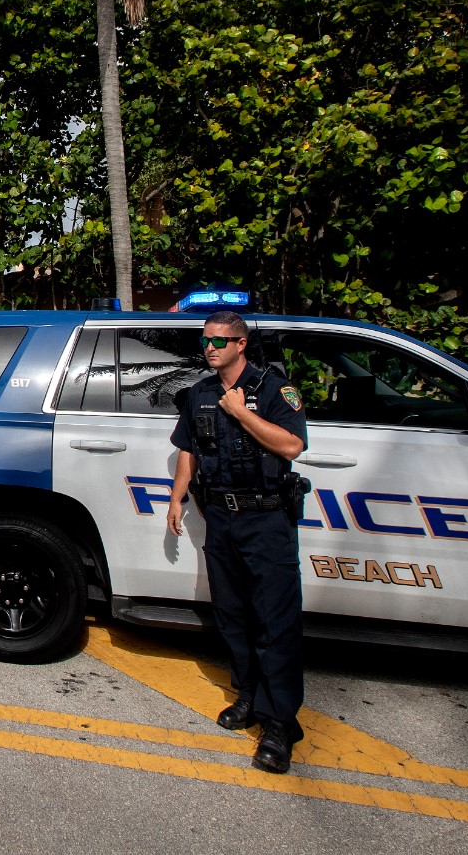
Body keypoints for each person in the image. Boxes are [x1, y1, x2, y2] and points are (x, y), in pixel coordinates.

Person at [166, 310, 308, 773]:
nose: (209, 348)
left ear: (241, 344)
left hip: (266, 520)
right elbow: (189, 446)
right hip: (221, 518)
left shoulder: (272, 388)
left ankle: (279, 723)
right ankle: (248, 698)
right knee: (233, 617)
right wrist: (177, 495)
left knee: (275, 621)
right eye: (205, 340)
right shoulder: (201, 392)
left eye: (219, 342)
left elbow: (291, 446)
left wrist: (241, 412)